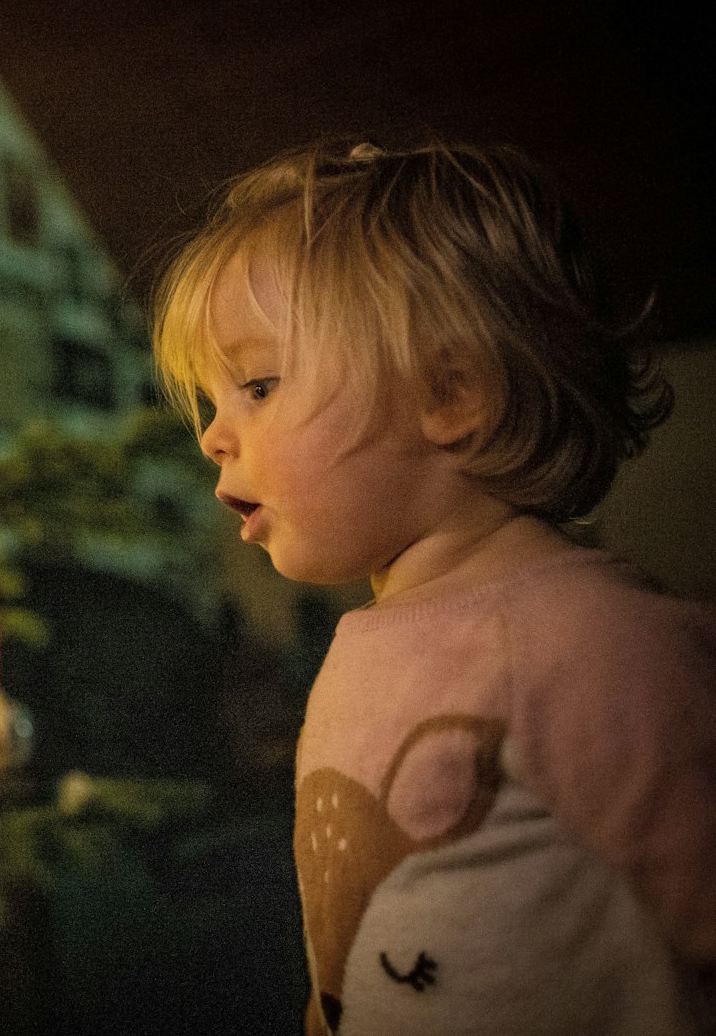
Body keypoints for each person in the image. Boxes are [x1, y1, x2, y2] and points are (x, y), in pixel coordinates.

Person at [150, 137, 716, 1035]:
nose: (215, 435)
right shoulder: (376, 640)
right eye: (212, 402)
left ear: (450, 395)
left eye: (257, 385)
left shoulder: (589, 642)